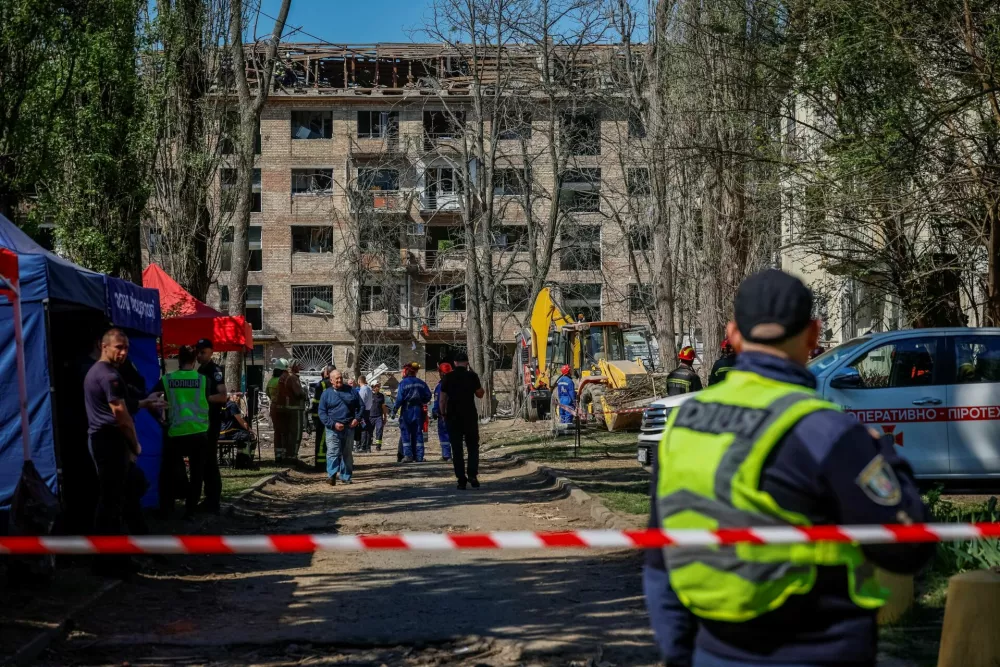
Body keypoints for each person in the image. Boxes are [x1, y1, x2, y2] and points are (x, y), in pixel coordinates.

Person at [644, 269, 933, 667]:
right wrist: (882, 451)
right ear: (813, 335)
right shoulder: (826, 430)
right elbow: (909, 546)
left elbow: (660, 560)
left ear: (732, 334)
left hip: (712, 651)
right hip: (820, 649)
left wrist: (680, 653)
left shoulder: (685, 423)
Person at [83, 329, 143, 575]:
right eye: (118, 347)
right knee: (112, 503)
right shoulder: (108, 376)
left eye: (126, 348)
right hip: (109, 442)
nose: (123, 352)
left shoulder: (99, 373)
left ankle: (113, 559)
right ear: (103, 345)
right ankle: (110, 562)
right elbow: (121, 416)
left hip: (102, 440)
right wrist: (134, 445)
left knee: (117, 499)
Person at [154, 345, 212, 519]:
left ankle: (167, 508)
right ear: (194, 360)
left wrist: (160, 419)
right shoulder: (203, 380)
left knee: (168, 472)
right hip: (199, 432)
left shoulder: (167, 379)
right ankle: (190, 511)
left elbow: (151, 399)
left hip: (175, 432)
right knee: (197, 474)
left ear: (178, 359)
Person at [439, 351, 485, 490]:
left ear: (454, 363)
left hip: (453, 416)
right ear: (467, 362)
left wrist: (443, 414)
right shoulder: (472, 376)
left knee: (457, 449)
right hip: (469, 415)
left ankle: (461, 479)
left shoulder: (448, 377)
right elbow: (480, 394)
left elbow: (442, 399)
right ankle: (472, 474)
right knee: (472, 446)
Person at [195, 339, 227, 513]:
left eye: (203, 352)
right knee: (204, 460)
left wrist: (203, 399)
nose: (199, 355)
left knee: (210, 460)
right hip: (201, 421)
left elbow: (223, 396)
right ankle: (208, 497)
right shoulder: (200, 370)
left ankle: (213, 499)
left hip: (211, 421)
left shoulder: (215, 371)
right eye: (198, 352)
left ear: (211, 353)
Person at [318, 369, 361, 485]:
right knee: (333, 452)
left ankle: (346, 477)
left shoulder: (351, 391)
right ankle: (331, 476)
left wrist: (356, 419)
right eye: (336, 378)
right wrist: (333, 424)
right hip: (333, 429)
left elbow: (360, 407)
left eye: (341, 377)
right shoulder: (326, 394)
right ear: (331, 380)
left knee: (347, 453)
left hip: (349, 427)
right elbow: (322, 412)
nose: (339, 380)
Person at [392, 362, 432, 463]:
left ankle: (408, 456)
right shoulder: (421, 383)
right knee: (418, 433)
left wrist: (394, 411)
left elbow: (399, 399)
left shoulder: (403, 383)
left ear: (406, 372)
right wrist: (422, 402)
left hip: (407, 410)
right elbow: (428, 396)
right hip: (418, 411)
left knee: (406, 433)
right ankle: (419, 456)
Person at [220, 392, 258, 469]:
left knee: (242, 436)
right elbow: (240, 420)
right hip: (228, 433)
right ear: (231, 396)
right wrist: (251, 430)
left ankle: (240, 461)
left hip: (219, 434)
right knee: (249, 437)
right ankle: (246, 462)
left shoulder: (219, 405)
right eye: (236, 395)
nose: (238, 398)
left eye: (240, 396)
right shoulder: (232, 405)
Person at [278, 359, 306, 460]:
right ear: (294, 366)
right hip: (295, 409)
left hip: (287, 409)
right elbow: (298, 393)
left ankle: (287, 454)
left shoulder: (284, 377)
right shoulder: (293, 378)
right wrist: (305, 393)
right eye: (298, 365)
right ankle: (293, 455)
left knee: (287, 433)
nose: (299, 368)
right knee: (296, 433)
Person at [311, 365, 334, 471]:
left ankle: (320, 464)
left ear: (327, 373)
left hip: (322, 416)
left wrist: (314, 417)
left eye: (324, 371)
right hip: (334, 416)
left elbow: (316, 402)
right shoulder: (338, 384)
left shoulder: (321, 384)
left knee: (321, 440)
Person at [432, 362, 454, 461]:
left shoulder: (441, 386)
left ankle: (447, 455)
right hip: (456, 413)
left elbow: (439, 400)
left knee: (444, 434)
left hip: (444, 414)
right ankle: (456, 454)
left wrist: (435, 411)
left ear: (442, 373)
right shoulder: (456, 383)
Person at [267, 359, 288, 459]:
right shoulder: (282, 381)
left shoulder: (271, 381)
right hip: (282, 408)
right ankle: (284, 454)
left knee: (277, 431)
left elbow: (267, 393)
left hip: (273, 407)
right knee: (284, 431)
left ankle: (277, 454)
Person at [356, 375, 375, 453]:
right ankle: (367, 447)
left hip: (363, 411)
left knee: (363, 428)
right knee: (367, 429)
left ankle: (363, 447)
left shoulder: (363, 390)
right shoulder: (369, 389)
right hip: (368, 410)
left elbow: (361, 402)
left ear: (359, 381)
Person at [370, 380, 387, 451]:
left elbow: (383, 407)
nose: (378, 388)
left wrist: (385, 416)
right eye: (376, 386)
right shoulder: (369, 395)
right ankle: (368, 444)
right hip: (370, 416)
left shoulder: (381, 396)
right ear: (373, 387)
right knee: (369, 431)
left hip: (378, 416)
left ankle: (378, 446)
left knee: (379, 430)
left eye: (378, 386)